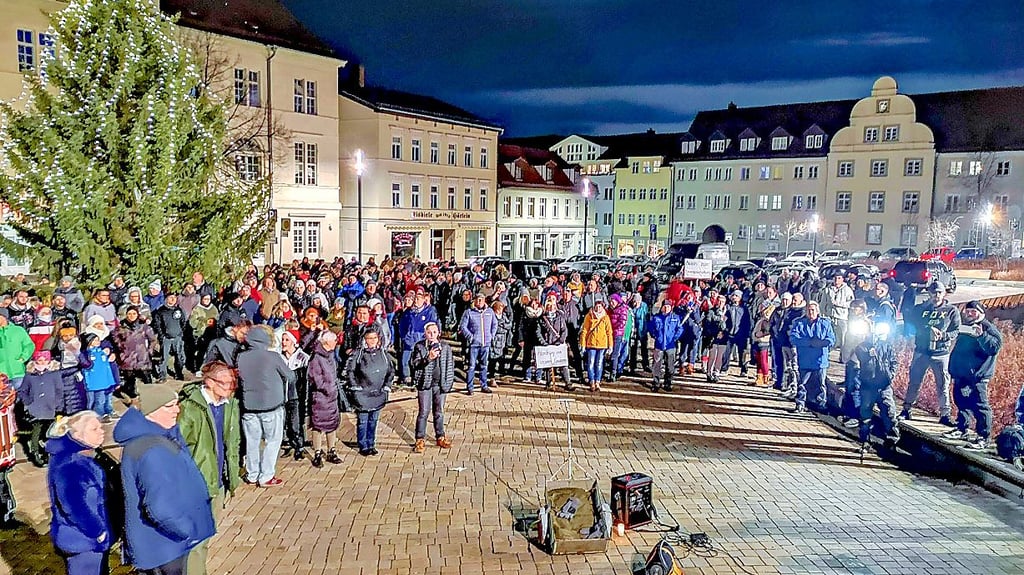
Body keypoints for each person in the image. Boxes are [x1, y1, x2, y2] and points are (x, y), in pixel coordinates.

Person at [113, 384, 215, 575]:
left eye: (177, 404)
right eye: (170, 406)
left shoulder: (158, 435)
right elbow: (159, 507)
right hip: (163, 546)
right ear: (151, 411)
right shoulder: (152, 450)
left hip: (163, 544)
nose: (177, 410)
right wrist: (187, 530)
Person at [177, 361, 241, 575]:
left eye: (232, 384)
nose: (229, 389)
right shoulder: (190, 408)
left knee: (207, 535)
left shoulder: (230, 405)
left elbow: (233, 443)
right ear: (209, 382)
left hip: (219, 482)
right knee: (196, 539)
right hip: (197, 482)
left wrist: (233, 477)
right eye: (224, 384)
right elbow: (178, 447)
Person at [45, 411, 111, 575]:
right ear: (77, 434)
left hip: (86, 540)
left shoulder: (83, 455)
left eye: (101, 427)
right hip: (82, 541)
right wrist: (98, 532)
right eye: (94, 429)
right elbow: (74, 506)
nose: (101, 431)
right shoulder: (71, 465)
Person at [236, 325, 293, 487]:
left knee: (252, 442)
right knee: (273, 441)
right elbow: (290, 376)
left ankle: (252, 474)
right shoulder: (272, 356)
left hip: (249, 407)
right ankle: (266, 475)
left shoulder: (241, 357)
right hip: (271, 406)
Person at [943, 301, 1002, 450]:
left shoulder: (987, 328)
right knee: (961, 402)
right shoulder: (965, 328)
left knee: (980, 406)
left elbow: (994, 348)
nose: (969, 314)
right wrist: (953, 369)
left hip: (977, 377)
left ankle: (983, 437)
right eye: (967, 311)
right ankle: (962, 429)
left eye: (973, 312)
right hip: (961, 374)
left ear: (981, 312)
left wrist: (982, 336)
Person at [902, 281, 960, 425]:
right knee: (915, 381)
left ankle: (945, 414)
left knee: (942, 384)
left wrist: (944, 335)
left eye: (939, 292)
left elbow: (956, 330)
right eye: (934, 293)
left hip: (941, 352)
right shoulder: (920, 309)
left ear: (944, 293)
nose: (936, 296)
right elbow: (911, 324)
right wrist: (926, 330)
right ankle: (907, 409)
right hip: (922, 351)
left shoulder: (951, 311)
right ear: (929, 293)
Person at [851, 322, 900, 454]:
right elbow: (863, 361)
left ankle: (891, 441)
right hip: (868, 386)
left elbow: (894, 362)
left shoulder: (888, 347)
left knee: (889, 412)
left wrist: (890, 375)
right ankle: (865, 440)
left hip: (884, 386)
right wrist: (871, 352)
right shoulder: (861, 347)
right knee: (865, 413)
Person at [344, 330, 394, 456]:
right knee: (363, 421)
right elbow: (350, 371)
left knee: (373, 420)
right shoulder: (358, 354)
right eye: (369, 338)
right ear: (364, 339)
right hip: (362, 394)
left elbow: (390, 371)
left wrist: (387, 386)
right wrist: (355, 386)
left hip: (378, 393)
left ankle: (371, 444)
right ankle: (363, 445)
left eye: (374, 338)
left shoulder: (383, 354)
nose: (371, 341)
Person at [410, 322, 454, 453]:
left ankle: (440, 436)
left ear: (439, 333)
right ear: (425, 334)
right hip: (425, 384)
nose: (432, 335)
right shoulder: (420, 346)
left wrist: (448, 383)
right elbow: (415, 364)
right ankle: (420, 439)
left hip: (440, 384)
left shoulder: (445, 347)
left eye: (434, 332)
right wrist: (428, 358)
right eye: (429, 332)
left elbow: (450, 366)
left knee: (439, 412)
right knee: (423, 412)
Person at [788, 301, 836, 414]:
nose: (811, 312)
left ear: (818, 311)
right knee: (802, 384)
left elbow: (831, 340)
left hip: (820, 360)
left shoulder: (825, 324)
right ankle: (800, 404)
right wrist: (809, 343)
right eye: (809, 310)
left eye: (813, 310)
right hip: (804, 359)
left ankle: (821, 404)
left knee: (821, 384)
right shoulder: (799, 323)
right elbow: (794, 338)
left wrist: (820, 343)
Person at [19, 351, 63, 467]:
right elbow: (23, 391)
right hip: (36, 409)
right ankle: (36, 453)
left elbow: (59, 391)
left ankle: (48, 452)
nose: (42, 362)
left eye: (45, 360)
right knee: (36, 432)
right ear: (35, 361)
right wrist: (28, 402)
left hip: (50, 407)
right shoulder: (29, 376)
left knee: (49, 432)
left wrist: (58, 406)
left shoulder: (54, 374)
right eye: (40, 360)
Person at [307, 330, 343, 467]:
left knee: (332, 424)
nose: (336, 342)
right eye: (334, 340)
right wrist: (328, 388)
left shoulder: (330, 355)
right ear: (327, 342)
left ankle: (331, 450)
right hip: (321, 397)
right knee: (318, 426)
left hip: (332, 398)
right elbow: (315, 378)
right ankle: (317, 453)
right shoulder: (316, 357)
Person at [113, 307, 159, 399]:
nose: (131, 316)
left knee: (147, 378)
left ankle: (151, 395)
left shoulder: (144, 326)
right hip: (127, 358)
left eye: (134, 314)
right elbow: (115, 339)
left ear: (137, 314)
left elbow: (153, 339)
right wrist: (121, 349)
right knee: (129, 380)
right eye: (129, 314)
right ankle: (131, 397)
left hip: (142, 357)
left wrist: (150, 350)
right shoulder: (121, 327)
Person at [279, 330, 309, 462]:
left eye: (286, 340)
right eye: (283, 340)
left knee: (296, 422)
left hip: (296, 395)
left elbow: (306, 380)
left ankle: (299, 447)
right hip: (282, 395)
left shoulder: (303, 358)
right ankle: (290, 444)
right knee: (286, 422)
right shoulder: (279, 357)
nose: (283, 342)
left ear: (293, 342)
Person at [459, 293, 497, 395]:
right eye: (477, 300)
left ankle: (484, 385)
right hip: (474, 344)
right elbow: (463, 326)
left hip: (486, 344)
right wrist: (471, 337)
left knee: (484, 365)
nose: (479, 302)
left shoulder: (490, 312)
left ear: (484, 300)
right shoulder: (469, 312)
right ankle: (470, 386)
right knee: (471, 366)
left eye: (481, 300)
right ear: (474, 301)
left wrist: (491, 335)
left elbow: (495, 324)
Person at [534, 295, 573, 391]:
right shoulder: (542, 319)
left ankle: (568, 382)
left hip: (558, 344)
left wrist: (560, 340)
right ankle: (549, 382)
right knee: (548, 365)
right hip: (547, 344)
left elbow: (564, 330)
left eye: (552, 306)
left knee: (563, 365)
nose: (551, 308)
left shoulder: (560, 318)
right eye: (549, 306)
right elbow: (538, 332)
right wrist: (543, 342)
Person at [647, 299, 685, 392]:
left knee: (670, 366)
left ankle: (668, 383)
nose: (666, 308)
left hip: (670, 345)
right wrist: (654, 335)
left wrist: (675, 338)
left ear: (671, 308)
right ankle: (656, 383)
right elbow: (650, 327)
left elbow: (680, 329)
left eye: (668, 306)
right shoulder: (657, 318)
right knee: (657, 365)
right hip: (659, 345)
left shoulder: (675, 318)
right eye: (665, 306)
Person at [81, 333, 117, 423]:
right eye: (95, 340)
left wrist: (110, 380)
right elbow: (86, 366)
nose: (98, 342)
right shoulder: (87, 353)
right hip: (93, 381)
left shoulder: (101, 352)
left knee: (101, 399)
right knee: (92, 401)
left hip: (103, 381)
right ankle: (93, 415)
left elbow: (106, 367)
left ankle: (101, 414)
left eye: (98, 340)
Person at [152, 293, 189, 381]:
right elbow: (158, 325)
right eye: (170, 298)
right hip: (166, 338)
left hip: (177, 338)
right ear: (166, 299)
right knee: (164, 358)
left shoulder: (179, 310)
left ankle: (179, 373)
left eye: (174, 298)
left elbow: (183, 322)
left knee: (179, 356)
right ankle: (162, 375)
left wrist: (180, 333)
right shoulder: (160, 311)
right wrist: (162, 336)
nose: (172, 299)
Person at [580, 301, 613, 392]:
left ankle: (598, 381)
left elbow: (609, 332)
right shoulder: (589, 316)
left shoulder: (605, 318)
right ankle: (592, 381)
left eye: (600, 306)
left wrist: (610, 346)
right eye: (597, 306)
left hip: (602, 344)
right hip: (591, 344)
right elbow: (585, 331)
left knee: (599, 363)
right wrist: (582, 344)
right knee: (590, 363)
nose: (598, 308)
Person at [0, 313, 35, 392]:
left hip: (18, 371)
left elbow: (29, 345)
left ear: (4, 317)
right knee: (4, 400)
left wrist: (23, 358)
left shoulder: (18, 330)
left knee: (20, 397)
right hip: (2, 375)